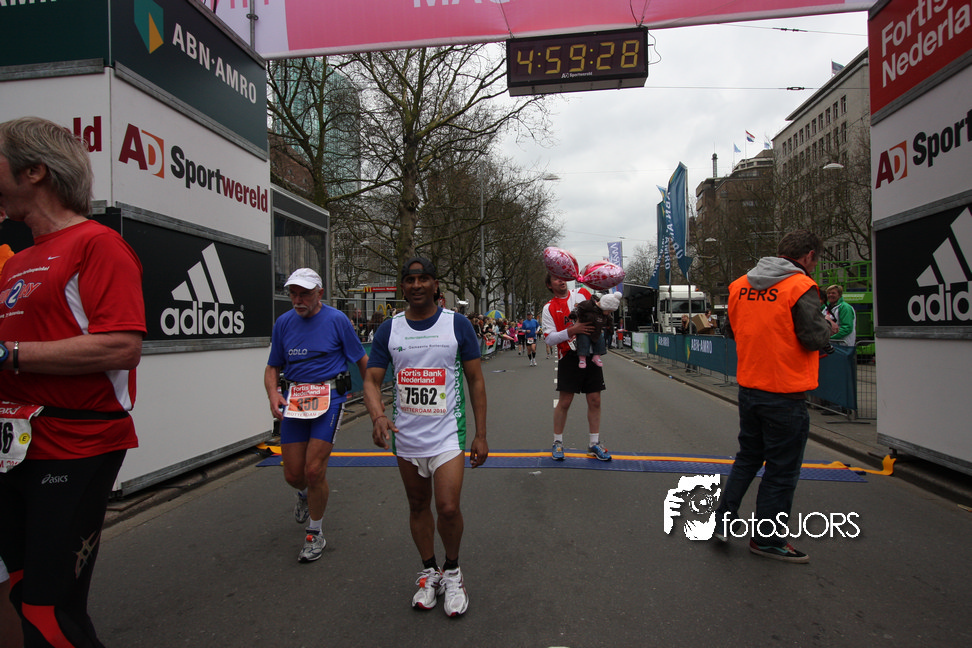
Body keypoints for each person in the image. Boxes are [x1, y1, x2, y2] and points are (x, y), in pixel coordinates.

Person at [0, 116, 146, 646]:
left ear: (34, 170)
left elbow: (122, 346)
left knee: (49, 612)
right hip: (15, 447)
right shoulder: (16, 261)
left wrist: (9, 354)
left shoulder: (97, 244)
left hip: (75, 443)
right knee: (22, 595)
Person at [363, 257, 488, 617]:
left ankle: (453, 571)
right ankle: (429, 570)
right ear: (402, 286)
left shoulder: (457, 324)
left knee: (447, 507)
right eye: (410, 279)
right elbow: (371, 380)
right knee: (418, 506)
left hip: (447, 434)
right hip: (407, 438)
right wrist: (378, 415)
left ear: (435, 285)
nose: (416, 285)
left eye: (424, 279)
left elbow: (476, 380)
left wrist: (480, 434)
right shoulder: (390, 330)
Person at [712, 230, 835, 563]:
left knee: (748, 458)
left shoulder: (740, 285)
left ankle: (723, 521)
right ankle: (767, 539)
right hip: (785, 392)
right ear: (809, 256)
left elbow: (731, 329)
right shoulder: (801, 286)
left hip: (750, 387)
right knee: (782, 471)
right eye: (816, 260)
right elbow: (813, 337)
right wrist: (829, 328)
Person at [265, 268, 368, 563]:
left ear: (319, 293)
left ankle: (315, 533)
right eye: (293, 294)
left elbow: (362, 360)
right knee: (293, 475)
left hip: (329, 399)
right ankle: (304, 495)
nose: (298, 300)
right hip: (296, 401)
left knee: (313, 471)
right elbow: (272, 366)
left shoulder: (337, 320)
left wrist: (373, 399)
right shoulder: (284, 323)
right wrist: (273, 394)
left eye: (305, 294)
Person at [541, 273, 612, 461]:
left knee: (595, 399)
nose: (561, 280)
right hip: (568, 355)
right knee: (565, 401)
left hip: (590, 352)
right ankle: (557, 442)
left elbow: (599, 308)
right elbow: (549, 338)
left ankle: (594, 443)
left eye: (562, 277)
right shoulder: (549, 307)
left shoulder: (582, 293)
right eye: (556, 278)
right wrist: (572, 330)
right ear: (549, 285)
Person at [569, 292, 621, 369]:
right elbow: (579, 308)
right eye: (608, 311)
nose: (608, 313)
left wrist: (610, 327)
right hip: (584, 328)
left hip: (596, 330)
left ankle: (597, 356)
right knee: (583, 341)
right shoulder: (588, 305)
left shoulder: (604, 313)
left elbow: (610, 320)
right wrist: (574, 314)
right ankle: (582, 358)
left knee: (600, 341)